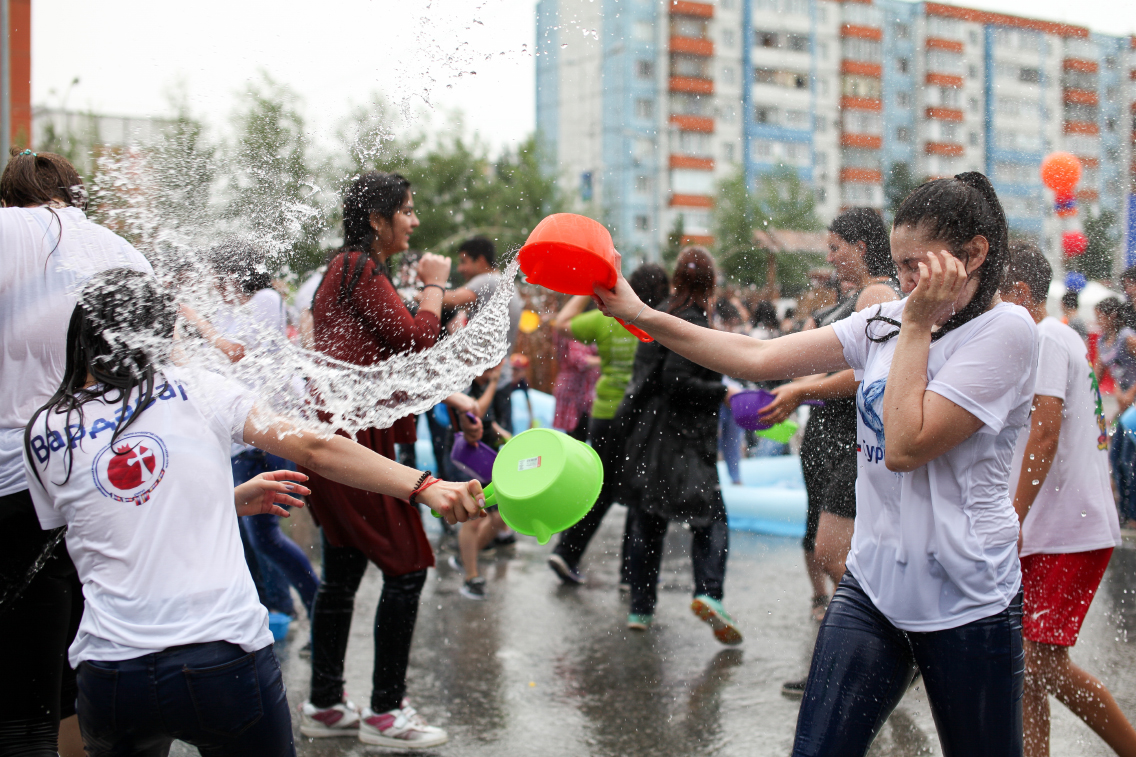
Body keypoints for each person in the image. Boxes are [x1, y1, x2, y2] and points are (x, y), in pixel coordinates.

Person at [593, 172, 1035, 756]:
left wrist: (915, 327)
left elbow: (905, 444)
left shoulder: (1006, 332)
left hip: (968, 603)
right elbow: (759, 355)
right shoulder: (893, 319)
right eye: (897, 266)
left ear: (973, 254)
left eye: (914, 267)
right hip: (875, 589)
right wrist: (642, 315)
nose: (903, 284)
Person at [23, 269, 484, 757]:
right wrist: (424, 485)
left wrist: (231, 499)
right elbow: (313, 447)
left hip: (112, 676)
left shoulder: (47, 429)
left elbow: (103, 523)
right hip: (220, 662)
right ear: (160, 332)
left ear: (81, 337)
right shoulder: (196, 388)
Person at [300, 171, 472, 748]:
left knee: (344, 571)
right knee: (408, 565)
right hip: (356, 448)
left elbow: (386, 363)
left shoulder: (346, 269)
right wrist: (434, 286)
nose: (415, 222)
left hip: (342, 441)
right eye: (407, 210)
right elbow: (414, 342)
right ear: (377, 219)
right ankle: (383, 714)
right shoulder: (357, 267)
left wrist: (455, 396)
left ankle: (325, 704)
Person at [0, 149, 153, 757]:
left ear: (10, 199)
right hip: (86, 481)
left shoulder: (8, 227)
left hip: (10, 483)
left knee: (16, 680)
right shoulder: (120, 250)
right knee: (68, 661)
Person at [1000, 245, 1136, 757]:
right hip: (1050, 526)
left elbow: (1045, 434)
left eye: (994, 293)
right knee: (1026, 666)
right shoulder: (1047, 338)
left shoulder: (1046, 337)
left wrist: (1012, 516)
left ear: (1021, 293)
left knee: (1042, 665)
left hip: (1070, 527)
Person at [759, 208, 899, 654]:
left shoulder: (876, 293)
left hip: (852, 441)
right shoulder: (856, 294)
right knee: (829, 551)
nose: (831, 257)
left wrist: (804, 391)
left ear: (860, 247)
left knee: (832, 555)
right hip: (828, 436)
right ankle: (850, 655)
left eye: (837, 248)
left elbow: (869, 376)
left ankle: (890, 647)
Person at [617, 248, 743, 645]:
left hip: (651, 436)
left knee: (648, 521)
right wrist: (721, 391)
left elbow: (648, 379)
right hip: (683, 440)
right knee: (712, 517)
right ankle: (709, 591)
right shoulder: (690, 321)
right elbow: (676, 380)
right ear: (710, 283)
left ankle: (641, 607)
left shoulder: (659, 312)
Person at [548, 263, 671, 586]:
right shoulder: (659, 324)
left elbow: (561, 325)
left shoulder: (610, 319)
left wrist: (588, 289)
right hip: (640, 417)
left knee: (601, 486)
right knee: (637, 491)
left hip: (603, 415)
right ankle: (629, 572)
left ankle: (569, 551)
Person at [442, 236, 524, 432]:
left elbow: (452, 300)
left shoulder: (486, 280)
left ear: (480, 260)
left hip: (484, 382)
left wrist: (418, 294)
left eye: (463, 261)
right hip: (501, 378)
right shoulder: (508, 284)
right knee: (500, 442)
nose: (460, 269)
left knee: (475, 443)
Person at [1094, 297, 1136, 413]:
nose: (1097, 322)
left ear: (1112, 316)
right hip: (1123, 397)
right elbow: (1096, 378)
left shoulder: (1126, 337)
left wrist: (1132, 392)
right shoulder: (1102, 342)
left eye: (1099, 317)